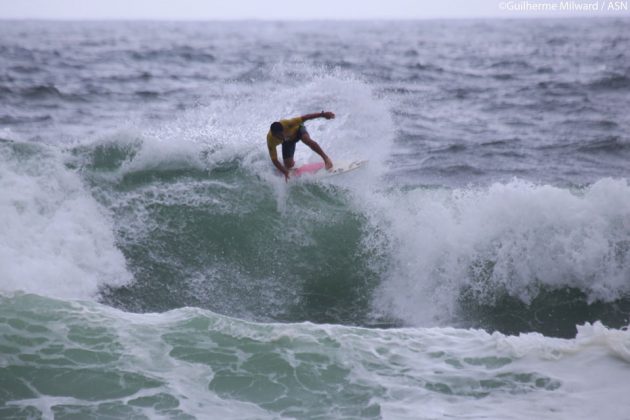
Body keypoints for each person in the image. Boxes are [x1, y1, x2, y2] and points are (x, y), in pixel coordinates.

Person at [267, 111, 335, 181]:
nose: (280, 137)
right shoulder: (271, 140)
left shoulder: (288, 123)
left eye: (281, 134)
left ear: (283, 130)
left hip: (298, 130)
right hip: (288, 141)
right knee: (288, 165)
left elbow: (306, 117)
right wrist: (284, 171)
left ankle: (326, 159)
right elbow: (274, 160)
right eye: (278, 136)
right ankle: (296, 168)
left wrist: (323, 115)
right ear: (273, 135)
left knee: (306, 140)